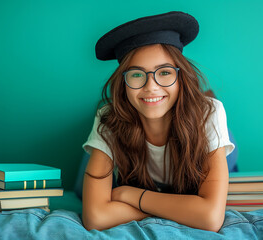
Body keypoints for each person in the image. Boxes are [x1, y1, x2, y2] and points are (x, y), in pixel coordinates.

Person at [82, 11, 235, 232]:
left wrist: (131, 195)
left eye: (164, 72)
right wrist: (183, 209)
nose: (151, 86)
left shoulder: (209, 113)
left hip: (204, 140)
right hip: (129, 138)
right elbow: (96, 217)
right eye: (136, 74)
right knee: (82, 186)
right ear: (122, 82)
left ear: (181, 76)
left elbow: (210, 218)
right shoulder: (109, 117)